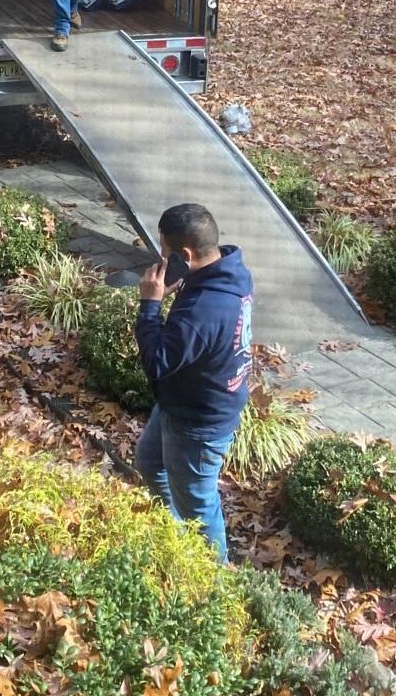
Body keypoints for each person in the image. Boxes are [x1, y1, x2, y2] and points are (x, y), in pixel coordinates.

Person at [134, 203, 254, 562]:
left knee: (200, 509)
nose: (161, 258)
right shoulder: (226, 270)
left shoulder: (204, 308)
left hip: (197, 423)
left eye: (165, 252)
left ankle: (213, 580)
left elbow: (158, 361)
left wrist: (150, 305)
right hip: (183, 400)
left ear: (184, 255)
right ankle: (175, 536)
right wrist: (181, 281)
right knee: (150, 461)